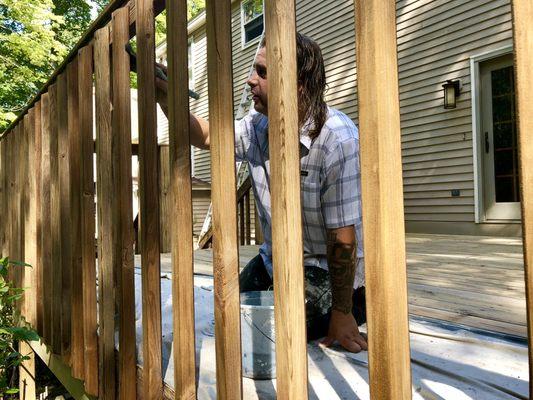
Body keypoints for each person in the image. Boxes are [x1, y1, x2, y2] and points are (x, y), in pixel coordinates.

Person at [152, 33, 367, 353]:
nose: (251, 80)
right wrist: (164, 92)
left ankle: (353, 306)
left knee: (280, 331)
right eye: (254, 69)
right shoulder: (257, 126)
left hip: (326, 270)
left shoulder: (337, 139)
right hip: (275, 262)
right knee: (231, 317)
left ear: (298, 85)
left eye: (263, 73)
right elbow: (205, 135)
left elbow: (343, 238)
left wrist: (342, 312)